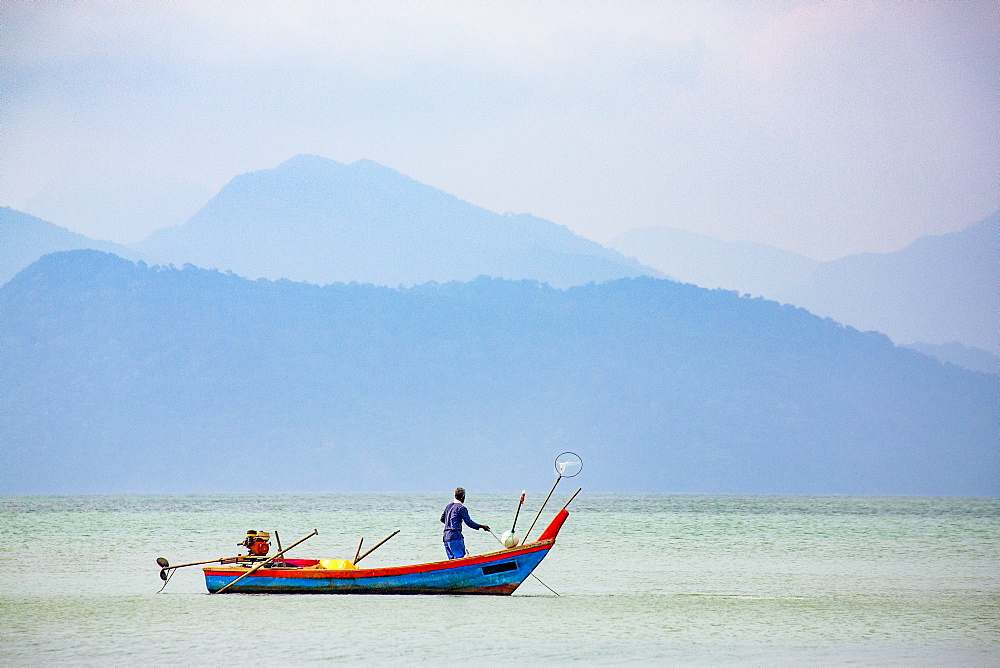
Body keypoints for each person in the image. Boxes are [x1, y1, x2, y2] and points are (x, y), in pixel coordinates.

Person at [440, 487, 490, 559]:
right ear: (463, 496)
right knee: (460, 559)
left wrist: (451, 523)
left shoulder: (448, 506)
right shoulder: (461, 508)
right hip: (455, 536)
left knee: (452, 561)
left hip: (446, 537)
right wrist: (481, 526)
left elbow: (442, 519)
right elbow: (469, 522)